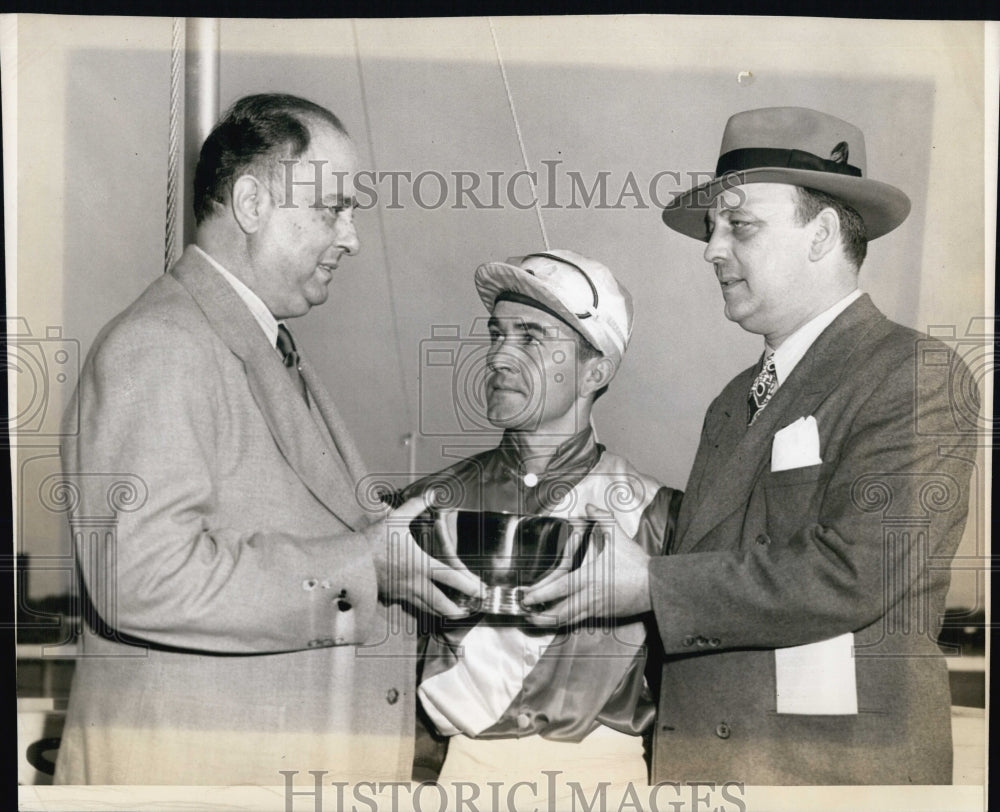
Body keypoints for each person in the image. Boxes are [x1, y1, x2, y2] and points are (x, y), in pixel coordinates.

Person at [523, 108, 977, 784]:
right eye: (712, 230)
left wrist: (645, 581)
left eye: (741, 225)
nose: (711, 249)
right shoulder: (734, 399)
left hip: (828, 778)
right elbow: (719, 555)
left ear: (822, 235)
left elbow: (857, 570)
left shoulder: (915, 372)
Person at [54, 93, 479, 785]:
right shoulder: (162, 344)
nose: (352, 238)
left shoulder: (256, 345)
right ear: (252, 204)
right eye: (332, 207)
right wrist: (367, 566)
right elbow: (140, 578)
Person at [397, 250, 682, 786]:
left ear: (594, 370)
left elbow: (685, 699)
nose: (500, 358)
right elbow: (392, 689)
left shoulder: (660, 517)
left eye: (530, 338)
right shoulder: (425, 505)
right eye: (497, 335)